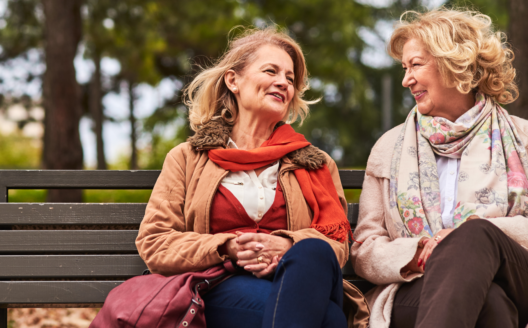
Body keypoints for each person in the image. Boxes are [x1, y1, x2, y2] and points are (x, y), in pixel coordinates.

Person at [136, 27, 368, 328]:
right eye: (271, 71)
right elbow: (156, 242)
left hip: (304, 279)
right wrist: (227, 247)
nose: (283, 83)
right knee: (329, 319)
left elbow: (336, 244)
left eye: (290, 78)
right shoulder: (188, 158)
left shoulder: (315, 163)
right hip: (222, 282)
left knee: (313, 250)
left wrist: (286, 245)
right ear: (233, 80)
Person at [351, 8, 528, 328]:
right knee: (491, 305)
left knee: (474, 236)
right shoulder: (389, 148)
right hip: (418, 287)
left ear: (454, 62)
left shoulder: (523, 139)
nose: (406, 79)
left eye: (416, 65)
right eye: (404, 68)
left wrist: (472, 235)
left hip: (518, 280)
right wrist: (418, 252)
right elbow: (365, 249)